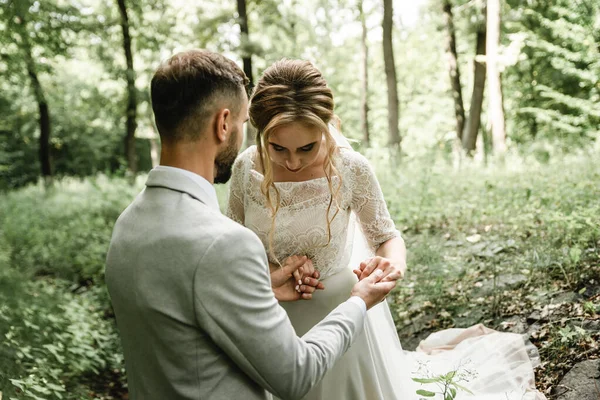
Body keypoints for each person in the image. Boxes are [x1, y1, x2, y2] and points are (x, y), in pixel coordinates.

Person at [227, 58, 548, 400]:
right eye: (278, 148)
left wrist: (389, 266)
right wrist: (272, 270)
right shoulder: (246, 168)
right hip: (269, 316)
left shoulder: (351, 168)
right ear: (260, 133)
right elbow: (231, 247)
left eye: (307, 147)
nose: (292, 162)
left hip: (343, 311)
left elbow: (385, 237)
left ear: (325, 127)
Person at [105, 49, 401, 400]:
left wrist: (267, 285)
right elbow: (294, 374)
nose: (292, 161)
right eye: (247, 124)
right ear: (223, 123)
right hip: (289, 347)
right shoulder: (225, 239)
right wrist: (357, 302)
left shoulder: (126, 227)